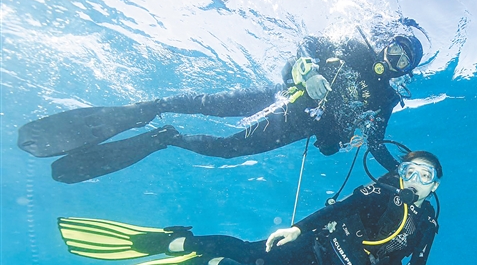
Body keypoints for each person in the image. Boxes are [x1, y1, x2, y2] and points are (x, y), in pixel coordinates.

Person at [57, 151, 442, 265]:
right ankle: (169, 242)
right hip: (316, 242)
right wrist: (298, 227)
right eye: (410, 170)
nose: (414, 180)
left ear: (434, 185)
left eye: (425, 176)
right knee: (249, 251)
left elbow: (420, 261)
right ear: (401, 171)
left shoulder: (428, 224)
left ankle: (205, 259)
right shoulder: (380, 191)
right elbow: (337, 210)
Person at [18, 33, 424, 184]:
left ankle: (167, 139)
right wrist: (306, 68)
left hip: (293, 128)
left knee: (227, 148)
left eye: (404, 61)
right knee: (205, 104)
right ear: (387, 43)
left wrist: (399, 167)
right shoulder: (352, 46)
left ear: (407, 70)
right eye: (395, 50)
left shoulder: (386, 98)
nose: (395, 59)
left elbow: (375, 142)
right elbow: (306, 44)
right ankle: (149, 109)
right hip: (276, 97)